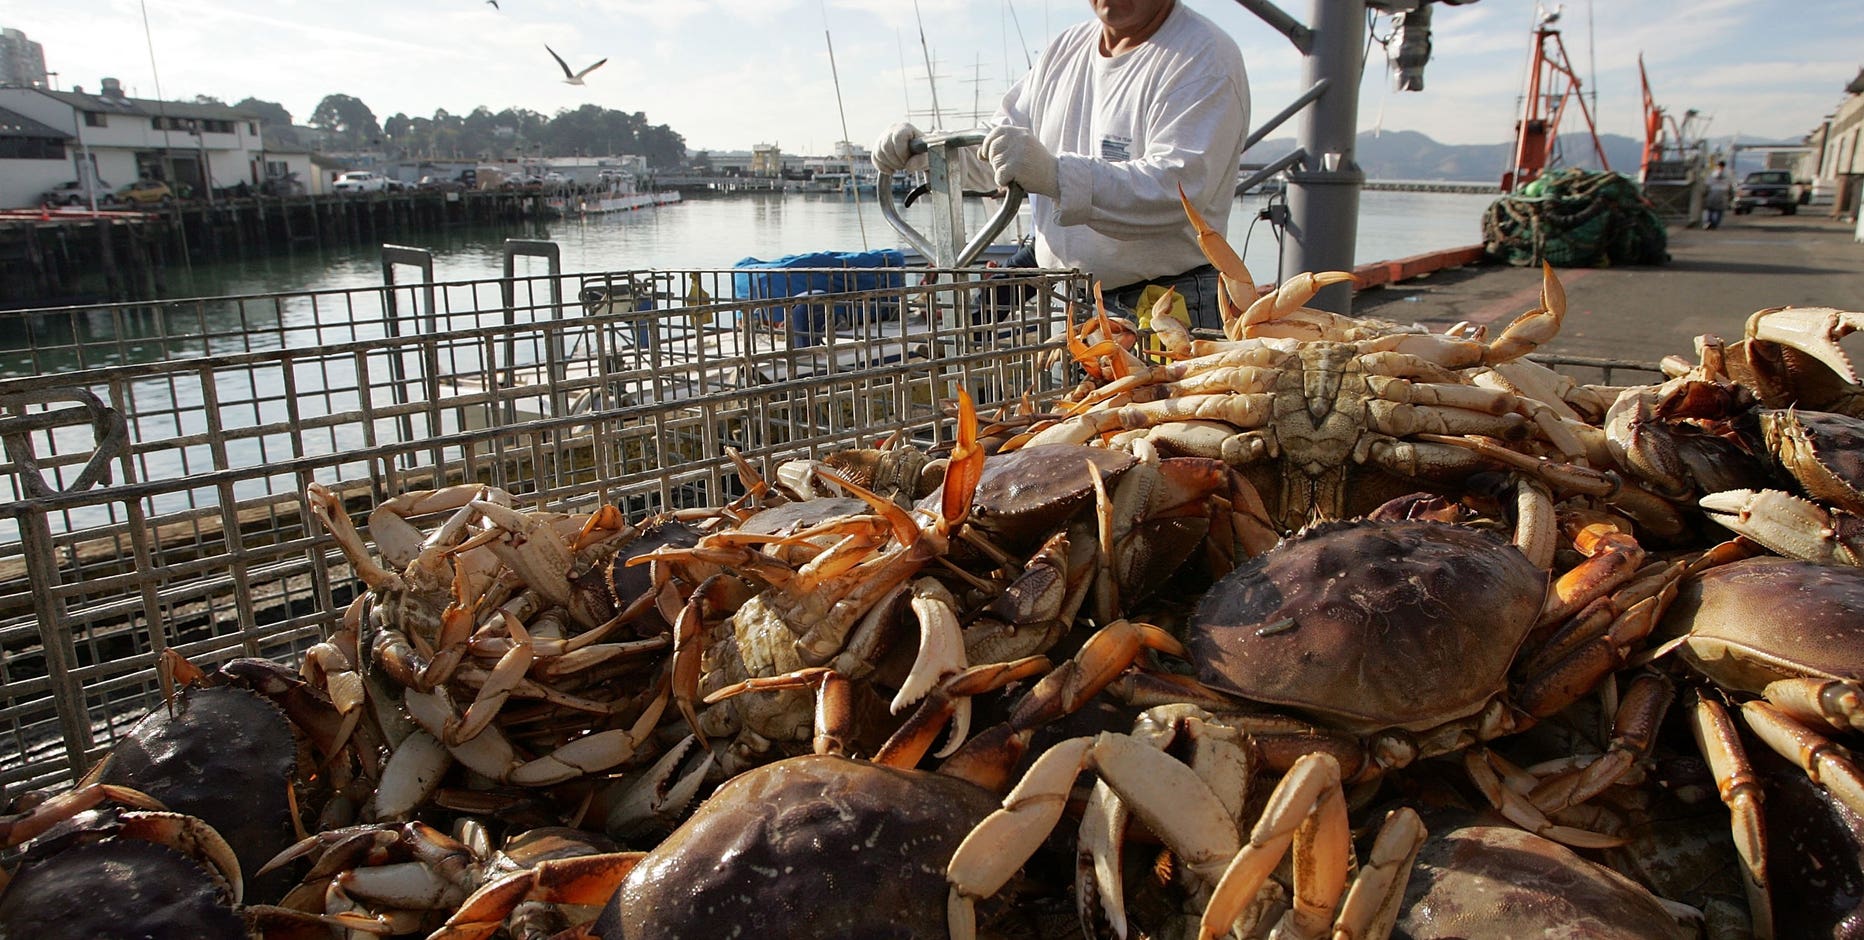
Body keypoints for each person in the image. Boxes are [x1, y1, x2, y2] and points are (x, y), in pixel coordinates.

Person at [873, 0, 1249, 330]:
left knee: (1158, 415)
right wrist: (929, 151)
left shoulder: (1205, 57)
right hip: (1067, 307)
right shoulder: (1065, 50)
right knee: (1063, 414)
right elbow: (998, 149)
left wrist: (1056, 175)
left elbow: (1179, 190)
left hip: (1168, 309)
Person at [1703, 165, 1733, 230]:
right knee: (1719, 210)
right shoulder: (1728, 173)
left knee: (1710, 209)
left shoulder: (1713, 172)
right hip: (1723, 193)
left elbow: (1707, 183)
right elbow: (1730, 184)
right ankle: (1714, 224)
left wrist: (1705, 193)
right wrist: (1730, 195)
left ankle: (1709, 222)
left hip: (1713, 192)